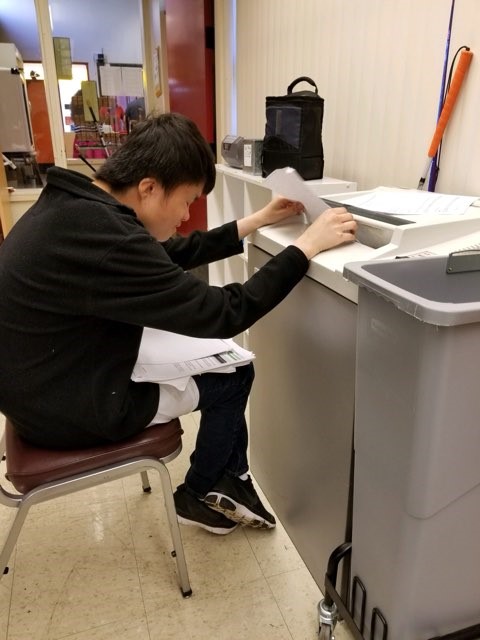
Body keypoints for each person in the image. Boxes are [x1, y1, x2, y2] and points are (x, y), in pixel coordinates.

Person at [0, 112, 356, 536]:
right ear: (149, 187)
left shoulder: (76, 206)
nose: (188, 215)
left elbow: (166, 256)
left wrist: (257, 221)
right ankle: (202, 490)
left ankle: (231, 479)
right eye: (187, 199)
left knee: (227, 362)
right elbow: (228, 310)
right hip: (69, 409)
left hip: (43, 384)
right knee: (234, 377)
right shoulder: (106, 237)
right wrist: (307, 246)